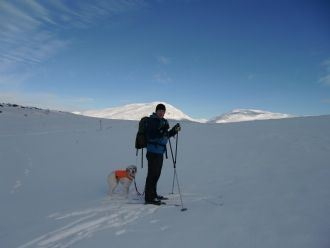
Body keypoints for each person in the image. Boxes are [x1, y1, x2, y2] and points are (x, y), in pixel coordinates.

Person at [144, 103, 181, 205]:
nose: (161, 112)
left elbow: (165, 135)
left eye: (163, 111)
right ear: (156, 111)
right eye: (159, 110)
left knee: (157, 174)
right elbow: (151, 135)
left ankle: (154, 194)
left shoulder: (163, 121)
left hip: (160, 152)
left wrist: (173, 131)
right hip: (152, 152)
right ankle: (148, 197)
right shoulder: (152, 121)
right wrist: (162, 132)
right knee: (152, 175)